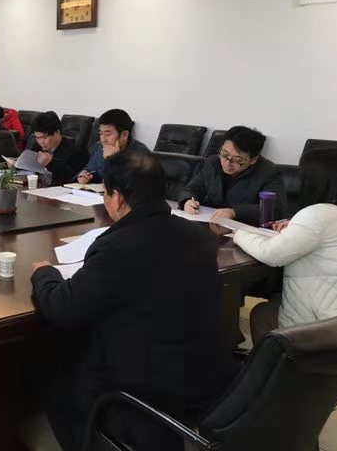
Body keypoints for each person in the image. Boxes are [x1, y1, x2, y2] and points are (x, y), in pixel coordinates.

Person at [31, 152, 234, 450]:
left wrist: (44, 274)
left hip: (145, 386)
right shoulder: (198, 237)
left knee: (55, 371)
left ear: (116, 198)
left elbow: (61, 307)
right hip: (207, 374)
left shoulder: (117, 246)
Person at [234, 148, 337, 343]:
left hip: (322, 325)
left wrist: (238, 231)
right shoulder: (329, 214)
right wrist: (294, 226)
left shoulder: (316, 215)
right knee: (268, 308)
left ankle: (281, 362)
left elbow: (270, 254)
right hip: (335, 314)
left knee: (263, 313)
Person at [178, 126, 287, 225]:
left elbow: (276, 209)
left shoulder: (269, 172)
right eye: (225, 154)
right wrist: (187, 201)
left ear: (253, 159)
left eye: (237, 160)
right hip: (210, 223)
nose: (227, 163)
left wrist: (235, 212)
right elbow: (191, 189)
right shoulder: (213, 163)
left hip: (244, 230)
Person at [76, 108, 149, 184]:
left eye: (108, 134)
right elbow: (89, 169)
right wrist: (83, 175)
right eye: (101, 134)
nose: (103, 140)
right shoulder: (100, 147)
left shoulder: (141, 154)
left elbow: (129, 185)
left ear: (124, 135)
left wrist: (111, 160)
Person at [27, 111, 88, 186]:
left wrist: (51, 163)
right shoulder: (36, 147)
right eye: (37, 138)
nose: (41, 142)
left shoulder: (75, 151)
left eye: (44, 137)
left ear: (57, 132)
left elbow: (72, 178)